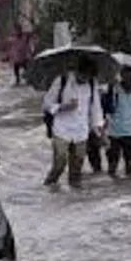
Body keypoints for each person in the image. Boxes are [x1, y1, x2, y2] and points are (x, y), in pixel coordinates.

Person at [42, 56, 104, 188]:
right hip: (61, 129)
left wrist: (99, 131)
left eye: (89, 76)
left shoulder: (92, 84)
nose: (86, 79)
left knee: (76, 171)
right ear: (78, 71)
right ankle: (49, 188)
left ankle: (74, 200)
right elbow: (46, 104)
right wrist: (63, 107)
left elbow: (95, 110)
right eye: (84, 75)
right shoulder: (62, 81)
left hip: (81, 131)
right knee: (60, 163)